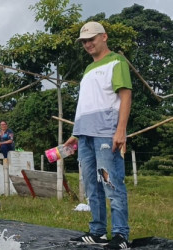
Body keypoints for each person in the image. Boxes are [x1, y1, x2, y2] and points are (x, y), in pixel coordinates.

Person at [66, 22, 132, 249]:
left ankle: (121, 235)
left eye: (91, 39)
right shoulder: (87, 69)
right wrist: (75, 133)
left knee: (111, 184)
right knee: (91, 186)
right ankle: (97, 232)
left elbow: (125, 96)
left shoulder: (117, 61)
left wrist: (120, 130)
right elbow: (86, 104)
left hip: (106, 134)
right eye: (84, 41)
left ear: (104, 36)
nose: (87, 44)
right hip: (84, 135)